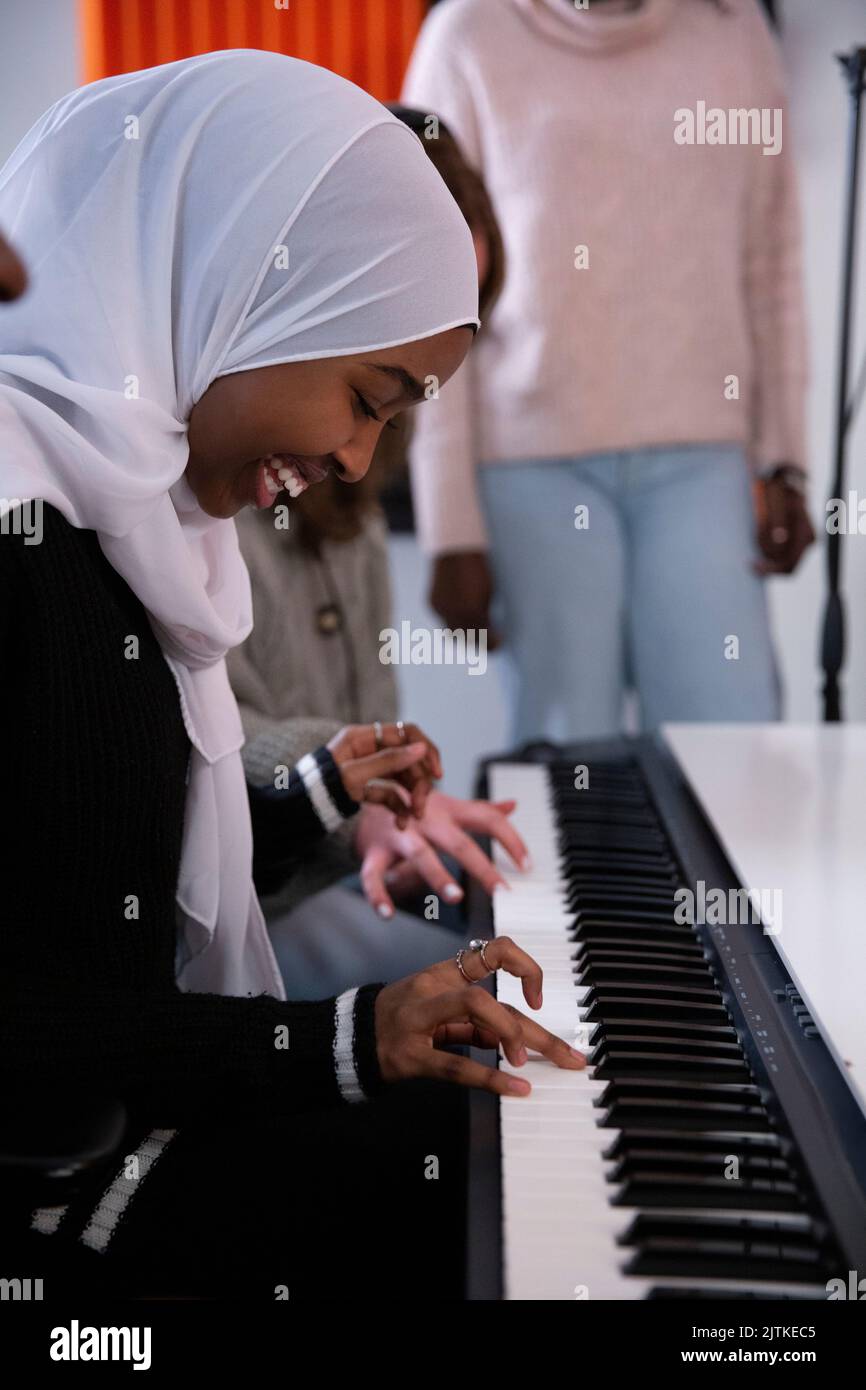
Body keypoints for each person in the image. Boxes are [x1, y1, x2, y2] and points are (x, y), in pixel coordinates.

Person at [0, 50, 583, 1300]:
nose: (358, 459)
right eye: (364, 398)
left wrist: (311, 791)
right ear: (237, 298)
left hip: (120, 1130)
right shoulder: (24, 542)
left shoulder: (147, 533)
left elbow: (101, 884)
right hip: (56, 1208)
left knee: (505, 1148)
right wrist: (342, 1041)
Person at [403, 0, 815, 745]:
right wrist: (450, 529)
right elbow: (435, 288)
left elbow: (772, 261)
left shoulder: (734, 31)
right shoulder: (467, 36)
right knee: (569, 753)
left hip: (703, 460)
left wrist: (786, 457)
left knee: (731, 749)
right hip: (532, 465)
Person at [227, 105, 515, 998]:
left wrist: (397, 806)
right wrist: (354, 800)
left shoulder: (362, 462)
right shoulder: (221, 463)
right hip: (250, 925)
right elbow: (191, 755)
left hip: (323, 884)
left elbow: (369, 723)